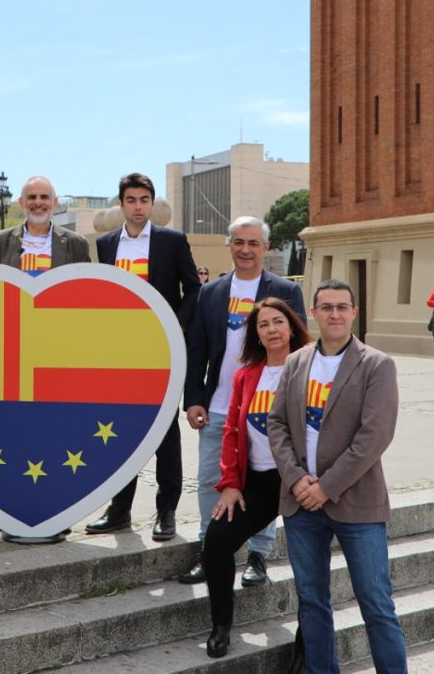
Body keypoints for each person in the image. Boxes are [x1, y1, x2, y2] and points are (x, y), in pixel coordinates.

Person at [268, 279, 408, 674]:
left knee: (376, 603)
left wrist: (327, 487)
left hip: (357, 504)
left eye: (341, 307)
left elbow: (374, 436)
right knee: (311, 602)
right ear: (313, 312)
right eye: (326, 307)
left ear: (353, 313)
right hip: (301, 504)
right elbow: (276, 424)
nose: (334, 314)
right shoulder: (296, 361)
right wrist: (297, 480)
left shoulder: (376, 365)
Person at [179, 216, 306, 587]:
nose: (246, 250)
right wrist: (194, 398)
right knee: (209, 481)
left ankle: (258, 555)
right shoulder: (212, 292)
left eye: (253, 243)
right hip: (218, 406)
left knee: (265, 483)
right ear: (229, 246)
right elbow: (198, 348)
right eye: (239, 242)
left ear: (266, 248)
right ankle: (209, 548)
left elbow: (297, 346)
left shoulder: (285, 291)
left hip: (268, 408)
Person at [87, 172, 200, 541]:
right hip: (120, 355)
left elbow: (193, 290)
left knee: (165, 433)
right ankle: (120, 510)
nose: (138, 207)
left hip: (160, 352)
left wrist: (174, 327)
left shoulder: (171, 241)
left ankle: (166, 511)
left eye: (145, 200)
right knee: (121, 432)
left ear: (152, 204)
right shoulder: (106, 244)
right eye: (132, 200)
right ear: (121, 204)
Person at [202, 297, 311, 658]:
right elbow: (232, 431)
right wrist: (231, 484)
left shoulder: (312, 366)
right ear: (257, 335)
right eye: (263, 325)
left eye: (278, 321)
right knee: (216, 540)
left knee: (308, 562)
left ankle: (308, 645)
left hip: (301, 482)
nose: (271, 329)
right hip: (258, 482)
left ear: (291, 327)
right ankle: (221, 626)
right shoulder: (247, 375)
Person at [0, 175, 91, 541]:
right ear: (20, 201)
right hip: (13, 353)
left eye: (44, 196)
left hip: (59, 355)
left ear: (55, 201)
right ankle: (7, 509)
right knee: (12, 432)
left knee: (56, 433)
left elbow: (85, 296)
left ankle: (57, 510)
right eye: (32, 196)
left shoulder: (74, 243)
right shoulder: (0, 242)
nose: (38, 202)